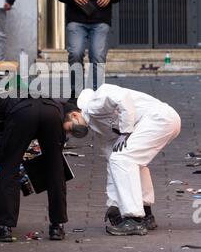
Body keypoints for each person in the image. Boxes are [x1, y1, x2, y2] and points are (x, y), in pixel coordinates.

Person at [63, 84, 181, 236]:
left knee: (124, 158)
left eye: (69, 128)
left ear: (74, 115)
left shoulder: (94, 102)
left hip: (160, 118)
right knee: (126, 160)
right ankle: (145, 214)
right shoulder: (97, 127)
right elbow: (112, 162)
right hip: (161, 120)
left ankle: (134, 219)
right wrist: (113, 204)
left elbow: (123, 99)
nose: (71, 133)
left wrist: (125, 132)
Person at [0, 95, 68, 242]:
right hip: (52, 111)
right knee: (55, 167)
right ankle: (57, 226)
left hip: (22, 113)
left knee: (9, 167)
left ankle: (4, 227)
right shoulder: (47, 96)